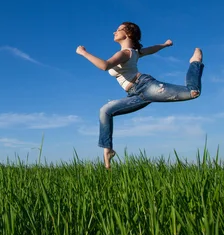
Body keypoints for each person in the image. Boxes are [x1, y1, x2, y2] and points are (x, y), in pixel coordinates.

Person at [76, 22, 204, 169]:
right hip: (135, 95)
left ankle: (195, 62)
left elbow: (104, 66)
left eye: (119, 29)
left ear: (128, 34)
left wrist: (83, 53)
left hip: (145, 86)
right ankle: (108, 150)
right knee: (105, 111)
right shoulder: (135, 52)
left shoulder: (125, 53)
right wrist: (164, 45)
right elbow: (151, 50)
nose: (114, 32)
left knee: (193, 92)